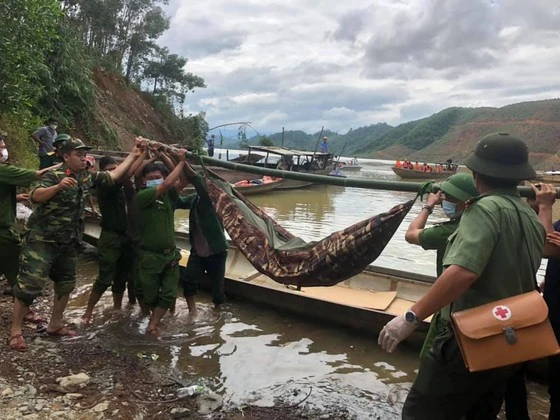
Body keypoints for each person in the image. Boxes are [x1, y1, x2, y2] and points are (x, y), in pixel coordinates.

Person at [379, 132, 545, 419]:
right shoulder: (528, 214)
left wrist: (411, 317)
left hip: (470, 336)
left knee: (422, 413)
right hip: (509, 338)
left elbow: (463, 272)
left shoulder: (484, 209)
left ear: (477, 174)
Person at [9, 138, 140, 351]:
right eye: (78, 155)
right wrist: (58, 187)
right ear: (66, 156)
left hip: (69, 241)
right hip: (42, 239)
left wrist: (134, 154)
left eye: (83, 154)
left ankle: (55, 324)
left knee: (66, 282)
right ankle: (15, 332)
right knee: (28, 286)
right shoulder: (53, 174)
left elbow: (113, 175)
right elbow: (35, 196)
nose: (82, 158)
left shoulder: (85, 177)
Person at [404, 173, 478, 358]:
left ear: (466, 203)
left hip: (449, 306)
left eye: (451, 199)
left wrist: (428, 206)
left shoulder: (448, 231)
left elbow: (411, 234)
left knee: (430, 358)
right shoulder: (479, 225)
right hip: (472, 304)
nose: (446, 202)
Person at [0, 132, 60, 325]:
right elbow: (38, 175)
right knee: (17, 270)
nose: (4, 150)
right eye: (1, 147)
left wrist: (15, 198)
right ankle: (25, 311)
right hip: (3, 232)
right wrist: (65, 165)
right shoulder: (3, 171)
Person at [81, 153, 145, 324]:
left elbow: (130, 175)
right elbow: (126, 173)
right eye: (110, 170)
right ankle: (88, 312)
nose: (115, 171)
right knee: (104, 278)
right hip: (110, 236)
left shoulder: (125, 188)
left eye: (116, 168)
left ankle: (117, 308)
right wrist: (141, 153)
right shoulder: (105, 185)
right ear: (103, 173)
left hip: (127, 237)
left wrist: (146, 155)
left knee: (121, 277)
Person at [135, 150, 187, 335]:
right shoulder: (143, 195)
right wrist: (180, 162)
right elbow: (166, 183)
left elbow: (183, 180)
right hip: (150, 256)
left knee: (169, 293)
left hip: (170, 254)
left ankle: (153, 324)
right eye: (151, 178)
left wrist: (166, 155)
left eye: (158, 177)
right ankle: (150, 315)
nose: (154, 180)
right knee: (150, 295)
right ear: (144, 181)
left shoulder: (168, 195)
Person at [178, 160, 228, 317]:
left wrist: (182, 162)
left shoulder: (211, 200)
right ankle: (192, 311)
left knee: (217, 287)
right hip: (198, 251)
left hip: (216, 250)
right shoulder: (195, 199)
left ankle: (218, 313)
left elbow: (197, 182)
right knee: (188, 281)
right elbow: (177, 200)